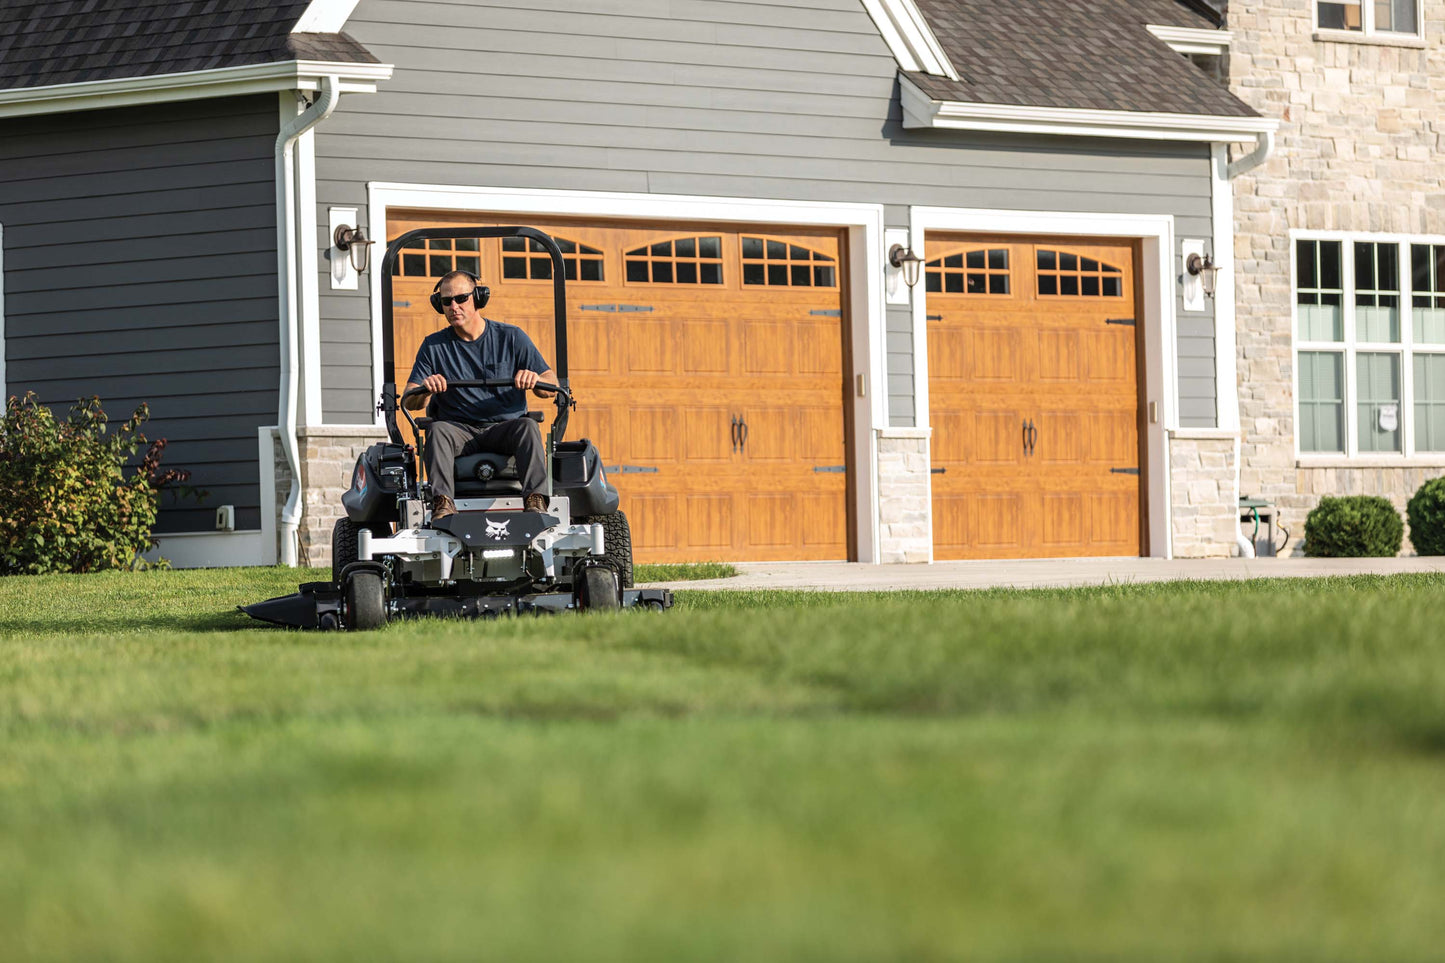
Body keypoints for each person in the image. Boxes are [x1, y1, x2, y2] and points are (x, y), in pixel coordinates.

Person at [404, 269, 557, 520]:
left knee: (528, 426)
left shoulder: (512, 337)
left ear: (478, 298)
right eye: (446, 301)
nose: (454, 306)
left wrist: (535, 380)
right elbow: (410, 399)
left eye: (461, 299)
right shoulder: (433, 346)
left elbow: (551, 385)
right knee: (437, 429)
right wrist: (425, 390)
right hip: (458, 431)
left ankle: (535, 500)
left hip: (504, 429)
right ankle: (442, 503)